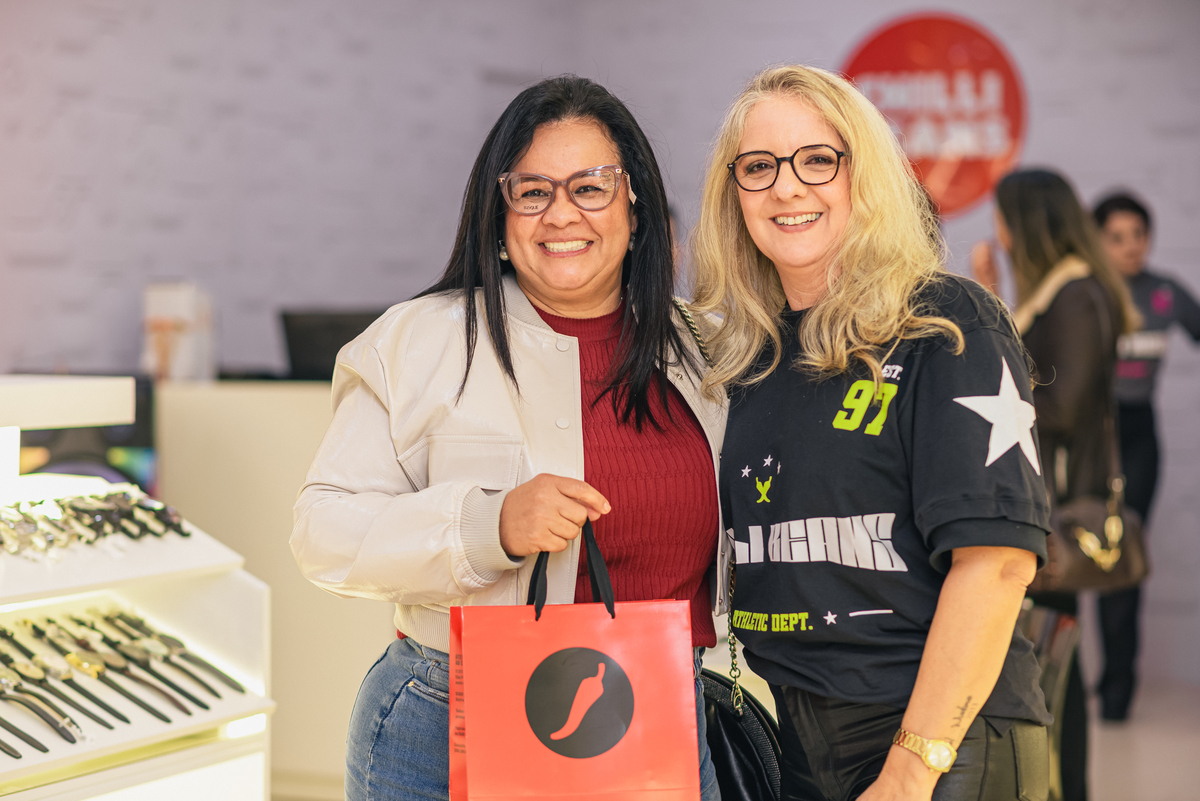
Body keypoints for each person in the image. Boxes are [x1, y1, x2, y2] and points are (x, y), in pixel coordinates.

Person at [291, 75, 728, 801]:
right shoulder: (419, 340)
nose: (562, 212)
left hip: (656, 720)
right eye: (532, 191)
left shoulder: (709, 349)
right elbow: (322, 533)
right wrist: (486, 525)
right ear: (499, 215)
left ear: (635, 205)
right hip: (447, 725)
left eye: (590, 186)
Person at [690, 64, 1052, 801]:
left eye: (818, 160)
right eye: (758, 167)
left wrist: (912, 769)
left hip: (945, 741)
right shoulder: (744, 356)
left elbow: (997, 565)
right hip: (795, 741)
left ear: (868, 173)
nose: (787, 188)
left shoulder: (944, 324)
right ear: (734, 194)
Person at [973, 169, 1140, 801]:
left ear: (1026, 224)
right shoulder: (1062, 292)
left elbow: (1060, 404)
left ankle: (1064, 788)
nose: (999, 233)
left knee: (1052, 671)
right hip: (1047, 505)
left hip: (1057, 511)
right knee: (1049, 665)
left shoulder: (1075, 295)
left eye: (1002, 220)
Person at [1092, 192, 1200, 721]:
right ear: (1097, 242)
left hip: (1139, 438)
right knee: (1076, 554)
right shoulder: (1086, 293)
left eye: (1139, 234)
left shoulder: (1165, 292)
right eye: (1117, 237)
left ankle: (1117, 690)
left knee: (1123, 558)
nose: (1131, 246)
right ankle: (1064, 687)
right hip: (1090, 438)